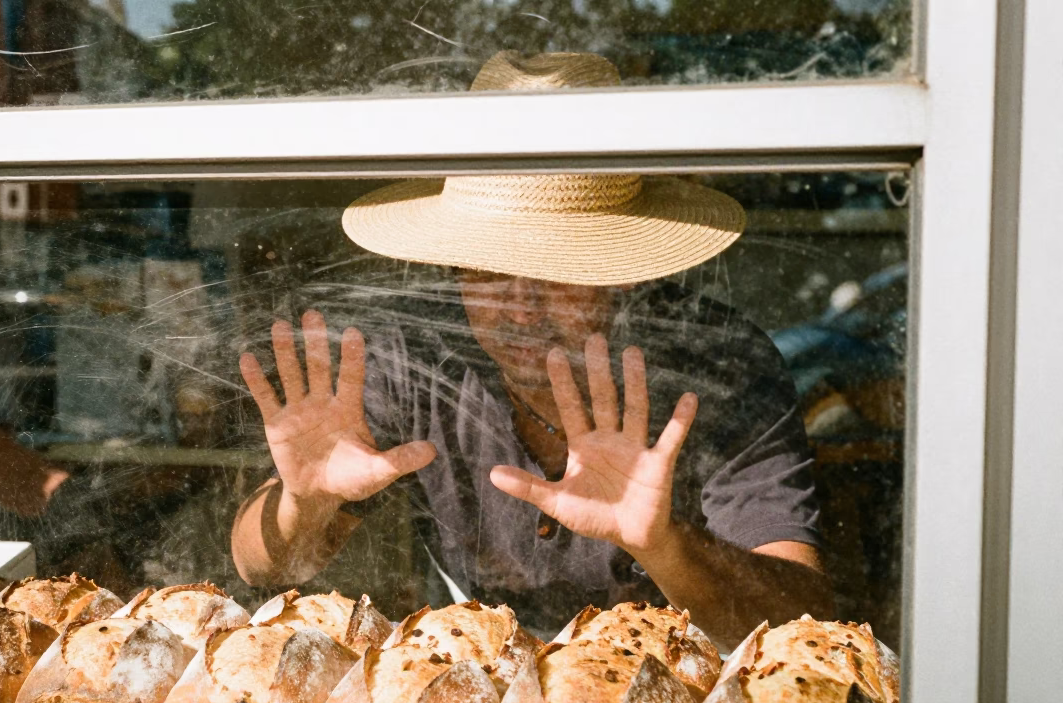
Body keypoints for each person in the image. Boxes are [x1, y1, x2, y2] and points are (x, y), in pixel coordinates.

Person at [230, 52, 833, 648]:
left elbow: (801, 623)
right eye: (490, 270)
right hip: (475, 688)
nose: (520, 309)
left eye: (556, 269)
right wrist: (302, 506)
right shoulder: (414, 356)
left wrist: (664, 544)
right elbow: (263, 568)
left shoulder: (719, 365)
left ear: (621, 270)